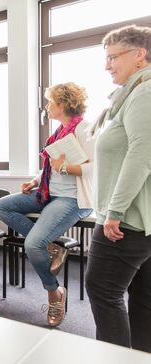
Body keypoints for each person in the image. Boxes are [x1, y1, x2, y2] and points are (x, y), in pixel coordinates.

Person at [0, 82, 93, 327]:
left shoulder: (85, 129)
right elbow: (51, 167)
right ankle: (52, 248)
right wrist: (34, 180)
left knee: (32, 244)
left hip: (73, 198)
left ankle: (54, 293)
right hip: (49, 193)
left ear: (63, 104)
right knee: (2, 206)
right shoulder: (59, 131)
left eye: (50, 102)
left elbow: (95, 169)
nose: (47, 106)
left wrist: (64, 166)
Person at [85, 25, 151, 352]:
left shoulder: (144, 92)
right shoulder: (135, 93)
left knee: (102, 291)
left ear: (139, 55)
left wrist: (115, 211)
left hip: (125, 221)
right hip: (141, 221)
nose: (107, 65)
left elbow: (141, 154)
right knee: (142, 299)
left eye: (113, 57)